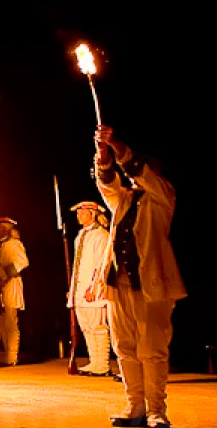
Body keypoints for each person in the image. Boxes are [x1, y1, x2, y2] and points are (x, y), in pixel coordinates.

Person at [90, 125, 185, 428]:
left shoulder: (163, 196)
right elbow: (107, 183)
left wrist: (117, 145)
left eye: (145, 168)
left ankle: (157, 410)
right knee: (125, 350)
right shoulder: (124, 199)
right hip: (119, 286)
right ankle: (135, 409)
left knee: (152, 351)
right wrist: (103, 155)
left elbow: (135, 168)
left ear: (156, 171)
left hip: (153, 286)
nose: (134, 175)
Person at [68, 201, 112, 376]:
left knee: (97, 326)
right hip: (79, 290)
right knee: (86, 327)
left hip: (93, 289)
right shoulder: (80, 236)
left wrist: (94, 286)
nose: (78, 215)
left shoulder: (101, 235)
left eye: (82, 212)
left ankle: (102, 364)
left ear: (93, 214)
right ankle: (95, 362)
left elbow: (102, 264)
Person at [0, 217, 29, 367]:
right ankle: (6, 355)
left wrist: (5, 273)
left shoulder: (14, 244)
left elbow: (23, 262)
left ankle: (12, 357)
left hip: (11, 284)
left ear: (4, 228)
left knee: (11, 321)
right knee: (1, 321)